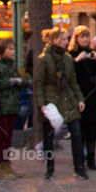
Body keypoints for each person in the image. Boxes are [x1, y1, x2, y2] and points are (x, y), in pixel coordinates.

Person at [34, 27, 86, 180]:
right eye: (63, 39)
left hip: (68, 99)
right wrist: (41, 104)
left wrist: (80, 98)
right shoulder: (43, 59)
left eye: (66, 39)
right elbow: (39, 83)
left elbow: (73, 82)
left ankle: (79, 168)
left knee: (76, 133)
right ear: (55, 40)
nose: (66, 42)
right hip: (51, 101)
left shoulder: (68, 59)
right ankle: (50, 168)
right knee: (48, 136)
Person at [69, 29, 96, 171]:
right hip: (80, 97)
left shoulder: (93, 53)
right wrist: (77, 60)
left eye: (87, 37)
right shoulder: (72, 54)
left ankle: (91, 159)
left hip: (95, 98)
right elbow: (69, 73)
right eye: (82, 37)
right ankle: (80, 160)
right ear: (76, 38)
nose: (85, 40)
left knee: (93, 131)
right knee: (80, 131)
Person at [0, 38, 24, 179]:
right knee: (2, 136)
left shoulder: (12, 64)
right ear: (2, 49)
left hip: (12, 104)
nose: (12, 51)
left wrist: (21, 82)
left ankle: (6, 163)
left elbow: (18, 79)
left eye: (13, 49)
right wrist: (9, 82)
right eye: (9, 49)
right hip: (1, 105)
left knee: (9, 136)